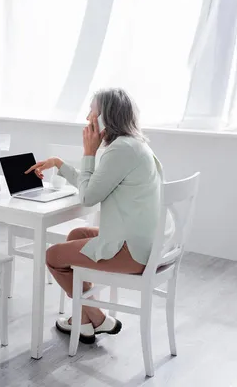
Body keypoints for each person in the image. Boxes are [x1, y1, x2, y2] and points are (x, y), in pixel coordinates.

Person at [26, 88, 163, 344]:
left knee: (54, 256)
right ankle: (84, 322)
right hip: (143, 240)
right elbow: (95, 185)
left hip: (134, 251)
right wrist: (59, 163)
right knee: (76, 235)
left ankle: (97, 319)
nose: (87, 116)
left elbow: (88, 197)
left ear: (104, 118)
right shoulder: (134, 145)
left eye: (92, 111)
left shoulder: (120, 151)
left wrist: (88, 153)